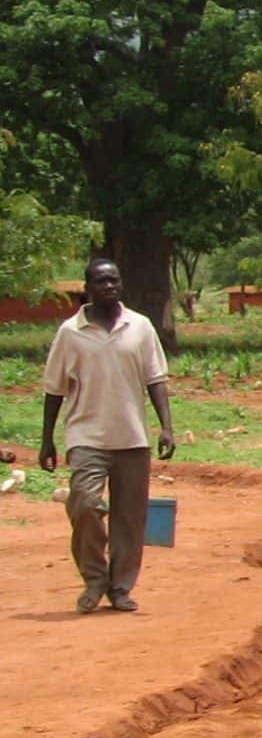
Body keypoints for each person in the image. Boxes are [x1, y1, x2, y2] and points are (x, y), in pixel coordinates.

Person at [37, 257, 176, 614]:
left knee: (130, 519)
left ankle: (120, 587)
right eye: (101, 282)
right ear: (87, 288)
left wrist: (167, 427)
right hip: (86, 436)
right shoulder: (70, 332)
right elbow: (54, 389)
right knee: (84, 504)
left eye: (114, 280)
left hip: (132, 437)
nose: (109, 286)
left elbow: (155, 379)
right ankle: (94, 578)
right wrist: (47, 439)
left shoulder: (140, 327)